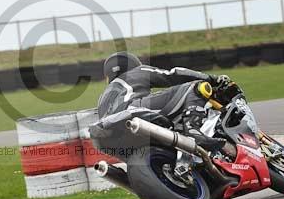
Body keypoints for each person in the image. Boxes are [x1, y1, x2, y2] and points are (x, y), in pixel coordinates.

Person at [96, 51, 237, 155]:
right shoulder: (136, 71)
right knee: (196, 86)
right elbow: (174, 75)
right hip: (133, 111)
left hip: (110, 135)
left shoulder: (102, 98)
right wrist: (213, 79)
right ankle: (193, 128)